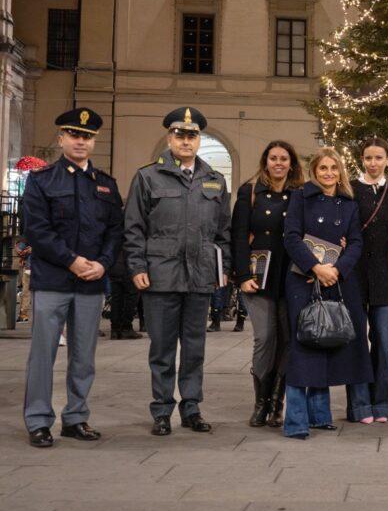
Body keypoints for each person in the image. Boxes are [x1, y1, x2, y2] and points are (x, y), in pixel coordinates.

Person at [124, 107, 231, 435]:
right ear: (169, 138)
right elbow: (133, 227)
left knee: (195, 347)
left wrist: (221, 270)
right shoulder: (147, 176)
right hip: (161, 275)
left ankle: (191, 407)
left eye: (192, 135)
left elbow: (223, 232)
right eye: (179, 135)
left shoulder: (214, 179)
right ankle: (161, 410)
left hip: (200, 276)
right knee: (162, 347)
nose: (186, 141)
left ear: (200, 139)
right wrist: (137, 265)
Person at [21, 108, 123, 448]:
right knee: (43, 355)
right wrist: (72, 261)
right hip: (53, 280)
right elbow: (36, 229)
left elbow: (115, 231)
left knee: (83, 356)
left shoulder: (106, 185)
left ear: (94, 141)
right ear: (62, 138)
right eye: (74, 134)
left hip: (91, 282)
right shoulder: (42, 180)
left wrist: (104, 263)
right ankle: (38, 420)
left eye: (87, 136)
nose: (81, 141)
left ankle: (76, 417)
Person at [282, 147, 373, 438]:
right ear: (314, 171)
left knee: (327, 342)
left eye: (334, 168)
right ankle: (295, 421)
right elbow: (291, 237)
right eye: (323, 168)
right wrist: (315, 268)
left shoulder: (349, 204)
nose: (329, 173)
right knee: (303, 346)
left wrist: (338, 269)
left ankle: (320, 415)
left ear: (341, 171)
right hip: (304, 280)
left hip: (338, 281)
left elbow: (357, 242)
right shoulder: (301, 197)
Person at [230, 140, 304, 427]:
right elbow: (238, 237)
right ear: (265, 161)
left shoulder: (299, 195)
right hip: (258, 278)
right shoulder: (249, 193)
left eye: (284, 158)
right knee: (264, 338)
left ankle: (277, 401)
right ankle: (260, 403)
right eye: (273, 158)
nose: (278, 163)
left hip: (291, 278)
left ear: (291, 163)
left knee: (287, 340)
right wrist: (242, 276)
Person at [348, 136, 388, 423]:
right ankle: (358, 406)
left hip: (384, 274)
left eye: (379, 157)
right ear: (362, 160)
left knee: (383, 341)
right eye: (368, 157)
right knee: (355, 342)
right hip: (354, 274)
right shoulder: (350, 189)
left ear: (387, 159)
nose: (373, 162)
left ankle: (382, 405)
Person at [108, 250, 142, 340]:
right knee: (131, 297)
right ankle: (126, 328)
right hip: (128, 266)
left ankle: (115, 329)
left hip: (114, 265)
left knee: (116, 298)